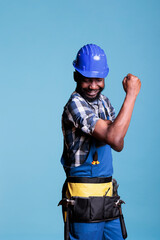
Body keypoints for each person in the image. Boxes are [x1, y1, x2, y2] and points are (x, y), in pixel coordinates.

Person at [59, 44, 141, 240]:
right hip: (83, 197)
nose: (93, 86)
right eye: (88, 79)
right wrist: (131, 95)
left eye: (98, 80)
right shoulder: (75, 104)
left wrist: (112, 132)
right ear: (76, 77)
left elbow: (118, 143)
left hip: (107, 194)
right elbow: (113, 136)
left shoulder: (104, 102)